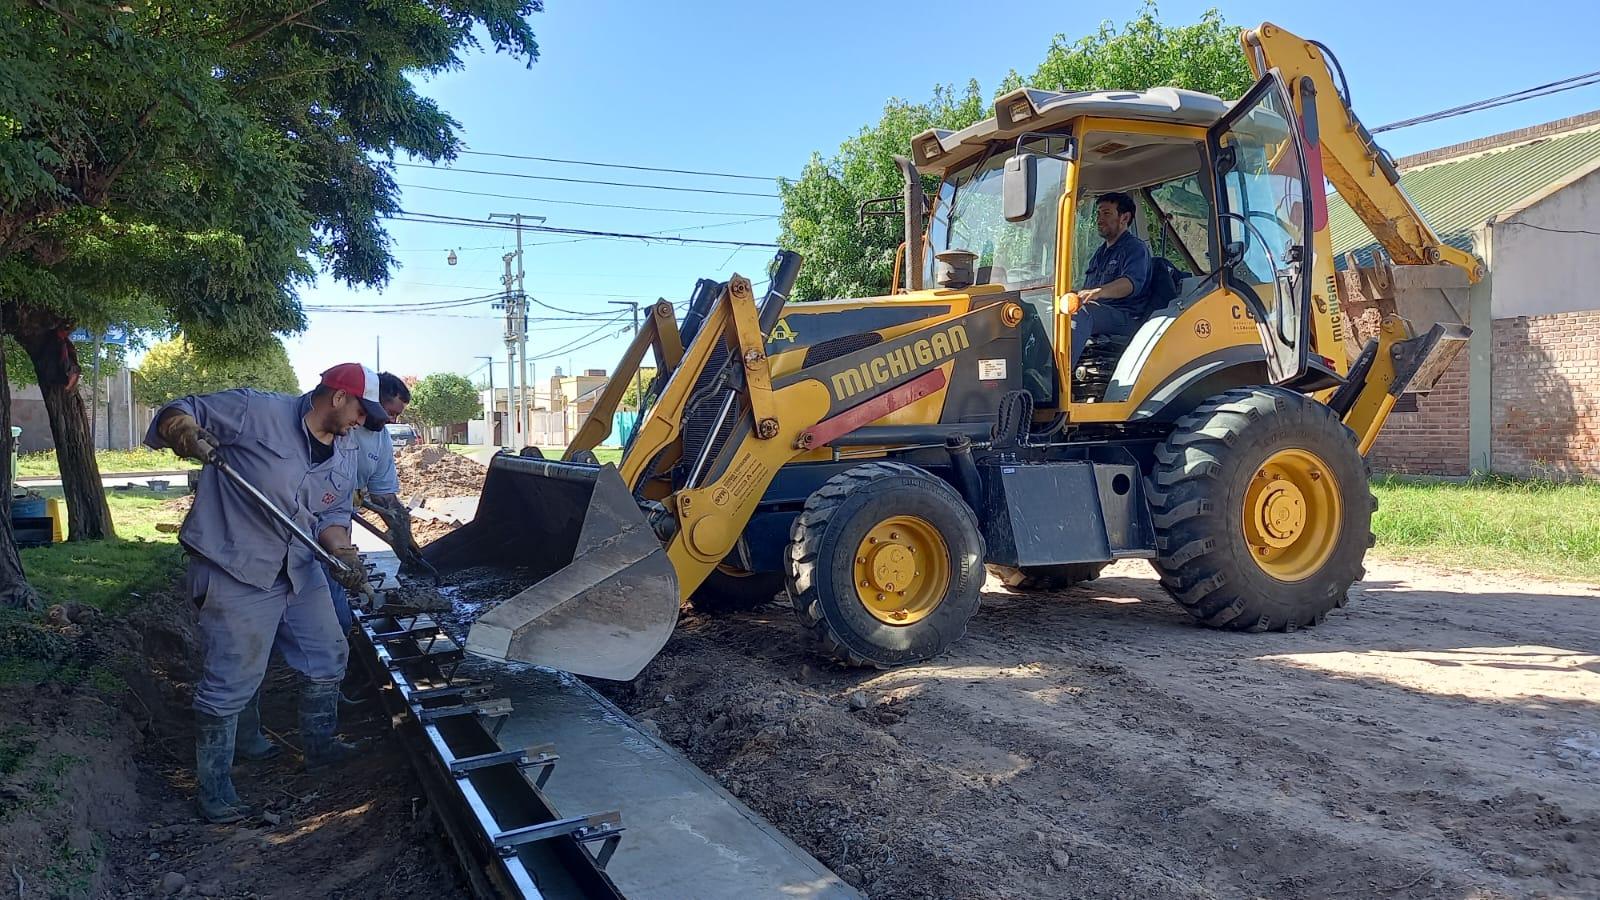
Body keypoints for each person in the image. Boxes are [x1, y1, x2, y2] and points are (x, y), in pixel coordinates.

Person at [145, 363, 389, 824]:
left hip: (298, 567)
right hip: (236, 565)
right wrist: (182, 429)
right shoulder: (256, 410)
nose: (364, 422)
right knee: (231, 679)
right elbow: (179, 411)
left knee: (329, 653)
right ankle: (215, 790)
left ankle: (320, 749)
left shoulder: (346, 451)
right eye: (362, 410)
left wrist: (345, 556)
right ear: (338, 396)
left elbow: (333, 516)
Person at [323, 371, 412, 633]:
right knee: (321, 594)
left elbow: (384, 495)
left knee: (335, 588)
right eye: (388, 411)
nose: (392, 420)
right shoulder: (338, 424)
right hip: (308, 518)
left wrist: (405, 537)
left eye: (397, 415)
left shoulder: (382, 437)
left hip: (339, 523)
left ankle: (338, 648)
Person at [1068, 191, 1153, 368]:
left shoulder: (1135, 248)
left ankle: (1058, 378)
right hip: (1102, 313)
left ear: (1124, 217)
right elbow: (1087, 291)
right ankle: (1034, 374)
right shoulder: (1100, 254)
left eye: (1106, 213)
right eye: (1098, 214)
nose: (1099, 219)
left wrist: (1100, 292)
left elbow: (1130, 284)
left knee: (1081, 313)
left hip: (1125, 317)